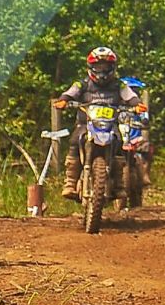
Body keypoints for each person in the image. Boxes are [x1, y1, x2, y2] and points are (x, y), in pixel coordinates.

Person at [52, 47, 140, 202]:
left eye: (105, 67)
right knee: (75, 141)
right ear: (91, 67)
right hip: (85, 124)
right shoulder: (82, 84)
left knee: (119, 143)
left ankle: (119, 183)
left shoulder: (118, 85)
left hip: (110, 125)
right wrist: (63, 100)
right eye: (98, 67)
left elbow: (129, 95)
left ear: (112, 68)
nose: (102, 71)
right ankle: (70, 181)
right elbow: (71, 92)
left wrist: (137, 104)